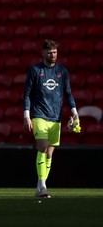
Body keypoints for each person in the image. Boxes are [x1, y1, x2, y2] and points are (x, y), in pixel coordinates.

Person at [24, 39, 80, 198]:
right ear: (42, 53)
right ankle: (43, 186)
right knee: (42, 147)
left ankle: (39, 186)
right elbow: (27, 94)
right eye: (49, 52)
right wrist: (26, 115)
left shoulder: (62, 71)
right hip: (38, 115)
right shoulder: (35, 70)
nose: (52, 54)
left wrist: (75, 112)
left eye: (54, 52)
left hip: (55, 117)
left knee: (49, 154)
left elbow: (68, 94)